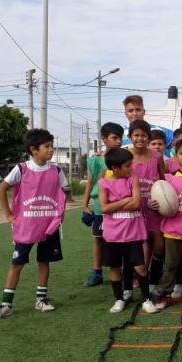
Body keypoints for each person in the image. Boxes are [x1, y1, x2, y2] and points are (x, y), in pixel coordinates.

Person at [0, 129, 67, 319]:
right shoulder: (22, 169)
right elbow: (1, 189)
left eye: (52, 146)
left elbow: (63, 191)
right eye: (47, 146)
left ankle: (41, 300)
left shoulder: (56, 170)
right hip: (26, 226)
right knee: (17, 263)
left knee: (44, 261)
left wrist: (59, 212)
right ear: (33, 149)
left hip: (49, 226)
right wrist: (8, 214)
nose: (51, 150)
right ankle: (6, 304)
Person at [98, 148, 160, 314]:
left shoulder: (133, 179)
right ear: (115, 168)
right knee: (115, 268)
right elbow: (104, 208)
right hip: (112, 236)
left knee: (140, 267)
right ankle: (119, 299)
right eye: (127, 165)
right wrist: (125, 200)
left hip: (133, 235)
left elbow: (136, 203)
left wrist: (116, 204)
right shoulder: (103, 182)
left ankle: (146, 299)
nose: (131, 168)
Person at [153, 138, 182, 301]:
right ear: (175, 156)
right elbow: (158, 198)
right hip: (172, 230)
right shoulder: (167, 179)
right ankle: (164, 290)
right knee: (170, 265)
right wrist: (153, 203)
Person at [127, 119, 167, 304]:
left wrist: (162, 199)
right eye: (136, 135)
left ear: (148, 137)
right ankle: (135, 284)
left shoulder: (156, 157)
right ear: (130, 137)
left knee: (158, 246)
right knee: (138, 249)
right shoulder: (125, 155)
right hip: (133, 208)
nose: (140, 138)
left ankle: (153, 282)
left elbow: (163, 180)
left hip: (154, 208)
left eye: (143, 135)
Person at [82, 122, 124, 287]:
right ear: (104, 139)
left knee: (120, 240)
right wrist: (85, 205)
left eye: (120, 137)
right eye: (114, 138)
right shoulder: (96, 160)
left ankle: (121, 270)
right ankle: (97, 271)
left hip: (119, 207)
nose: (118, 141)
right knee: (99, 240)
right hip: (100, 207)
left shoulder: (124, 159)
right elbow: (90, 183)